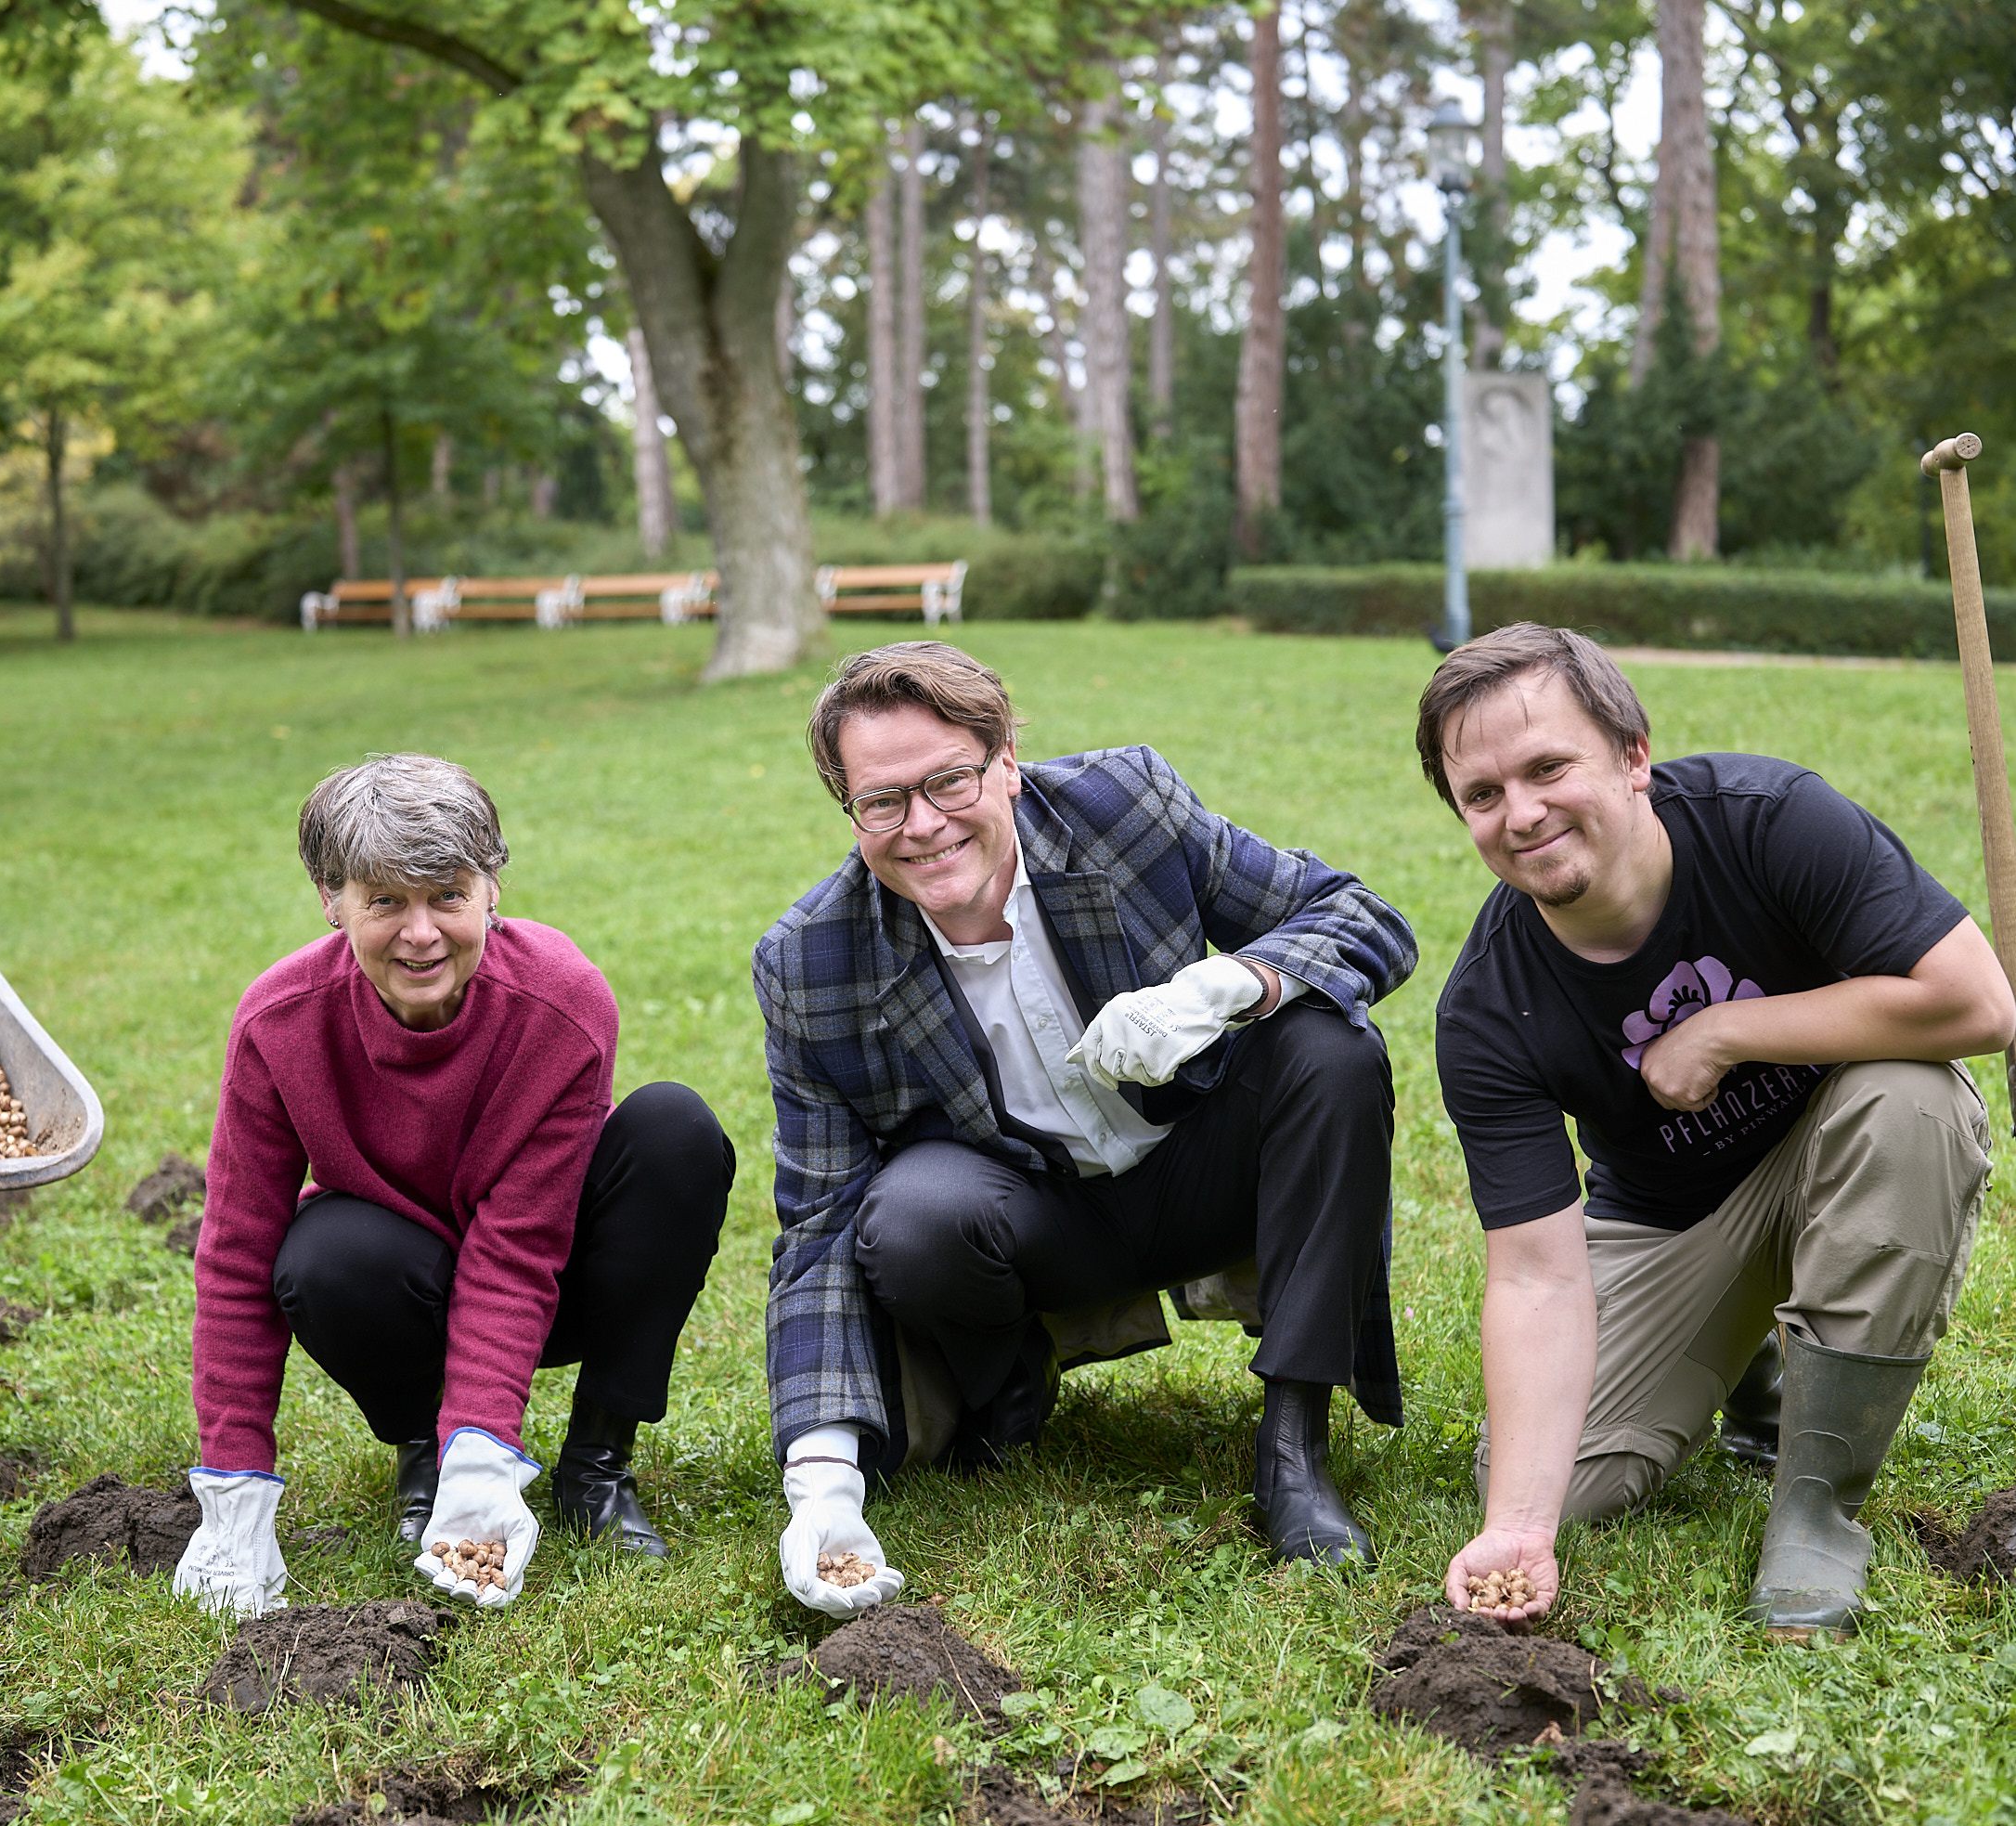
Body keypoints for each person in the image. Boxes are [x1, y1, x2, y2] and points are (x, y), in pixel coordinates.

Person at [757, 641, 1417, 1615]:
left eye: (948, 780)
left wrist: (1226, 984)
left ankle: (1294, 1444)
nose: (924, 824)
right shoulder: (810, 960)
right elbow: (818, 1225)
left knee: (1330, 1049)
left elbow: (1361, 918)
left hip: (1205, 1169)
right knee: (908, 1216)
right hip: (1029, 1221)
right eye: (882, 801)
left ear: (1006, 763)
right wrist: (822, 1484)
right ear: (850, 813)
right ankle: (1009, 1385)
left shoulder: (1124, 804)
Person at [1425, 624, 2008, 1639]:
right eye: (1483, 794)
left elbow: (1979, 1005)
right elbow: (1535, 1273)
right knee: (1566, 1480)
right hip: (1673, 1216)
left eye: (1549, 767)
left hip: (1846, 1142)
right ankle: (1756, 1359)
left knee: (1912, 1099)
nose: (1521, 813)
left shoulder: (1771, 821)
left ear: (1634, 755)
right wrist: (1517, 1523)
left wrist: (1727, 1031)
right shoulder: (1487, 1008)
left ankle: (1815, 1507)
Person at [171, 753, 735, 1615]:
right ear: (332, 901)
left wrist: (488, 1452)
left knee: (675, 1133)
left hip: (554, 1281)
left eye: (447, 896)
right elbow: (237, 1255)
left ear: (491, 892)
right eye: (384, 900)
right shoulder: (279, 1023)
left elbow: (518, 1247)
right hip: (406, 1285)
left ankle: (596, 1462)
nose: (421, 931)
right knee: (324, 1254)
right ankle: (421, 1451)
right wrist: (234, 1487)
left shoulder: (563, 1001)